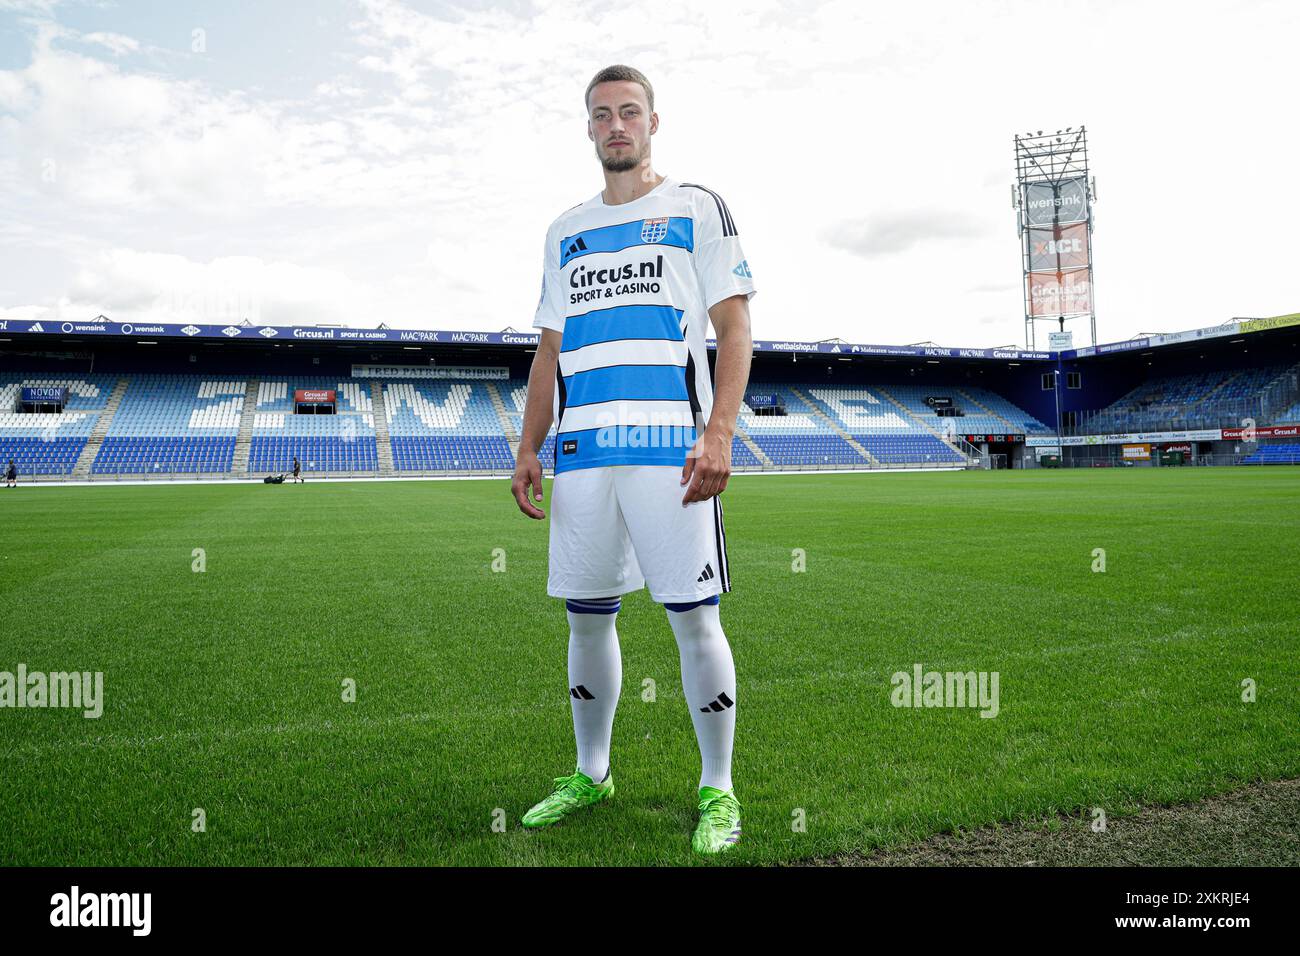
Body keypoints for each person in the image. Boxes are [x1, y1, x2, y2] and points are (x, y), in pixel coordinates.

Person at [510, 65, 756, 855]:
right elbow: (548, 349)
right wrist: (529, 446)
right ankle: (592, 772)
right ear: (587, 129)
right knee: (586, 619)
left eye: (629, 112)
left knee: (694, 619)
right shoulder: (564, 231)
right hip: (582, 459)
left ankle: (718, 790)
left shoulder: (695, 208)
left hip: (670, 453)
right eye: (601, 115)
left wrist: (718, 432)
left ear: (654, 122)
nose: (616, 125)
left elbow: (735, 326)